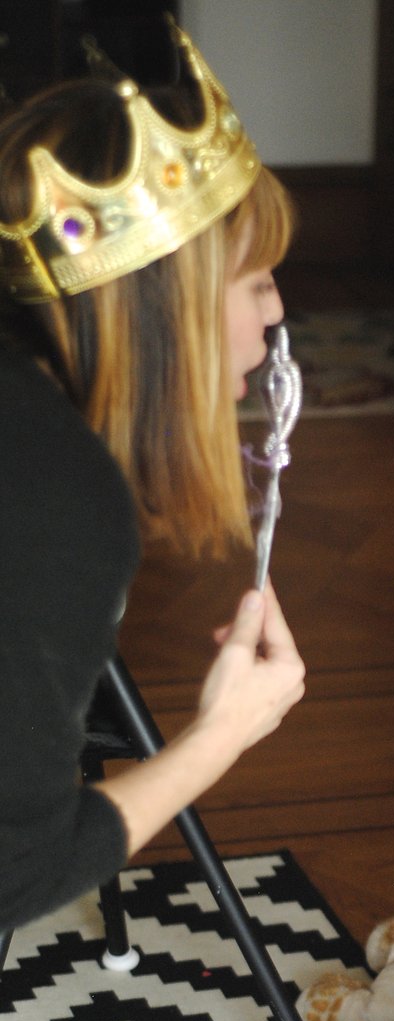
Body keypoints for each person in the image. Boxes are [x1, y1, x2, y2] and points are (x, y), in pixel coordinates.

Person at [0, 23, 305, 933]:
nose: (279, 308)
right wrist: (220, 736)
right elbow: (14, 875)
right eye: (256, 281)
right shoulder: (56, 498)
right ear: (164, 306)